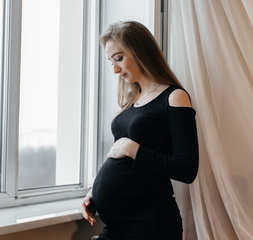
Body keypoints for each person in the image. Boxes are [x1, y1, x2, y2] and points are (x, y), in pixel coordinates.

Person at [81, 21, 199, 240]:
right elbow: (118, 157)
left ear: (140, 51)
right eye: (111, 62)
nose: (115, 69)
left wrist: (134, 149)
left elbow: (187, 168)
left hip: (150, 224)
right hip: (118, 227)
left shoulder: (175, 97)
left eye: (119, 58)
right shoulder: (130, 100)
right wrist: (93, 194)